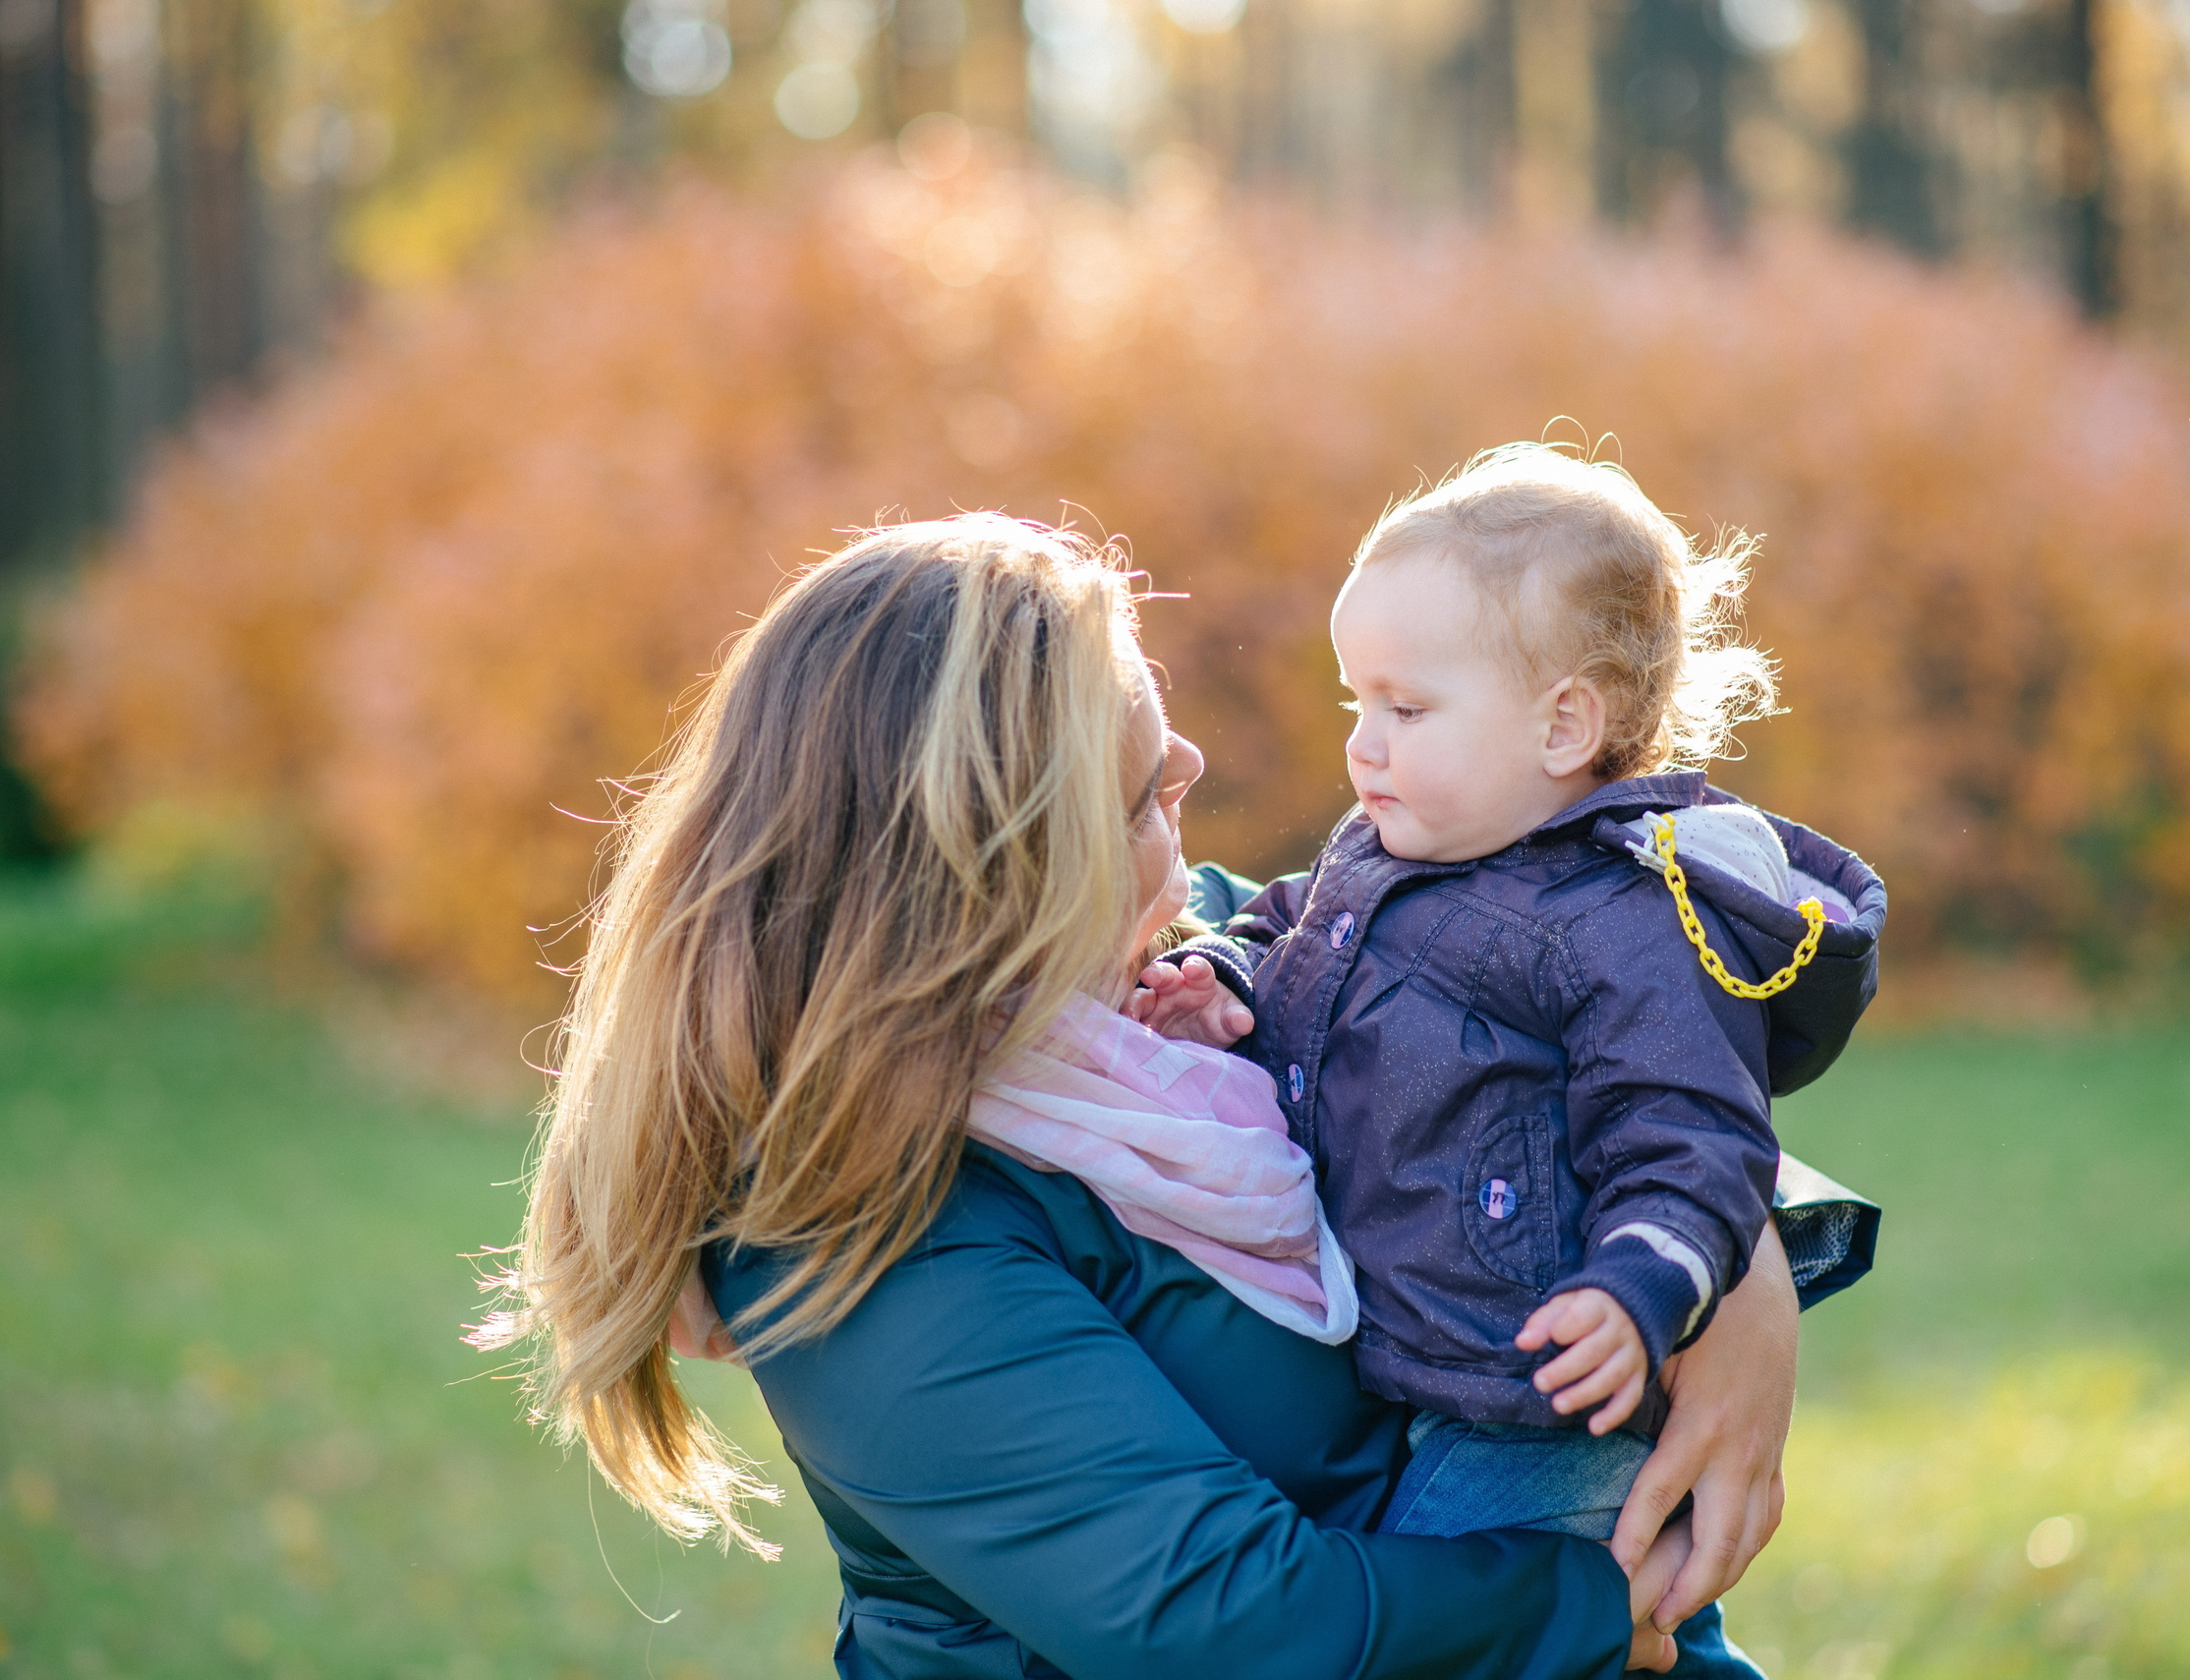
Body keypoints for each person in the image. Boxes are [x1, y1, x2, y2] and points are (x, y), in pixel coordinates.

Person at [475, 512, 1825, 1678]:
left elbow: (1611, 1063)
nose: (1190, 779)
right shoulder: (861, 1246)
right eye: (1135, 792)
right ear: (996, 883)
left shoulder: (1180, 982)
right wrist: (1597, 1607)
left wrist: (1743, 1279)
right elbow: (1227, 1624)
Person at [1133, 445, 1885, 1676]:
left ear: (1564, 721)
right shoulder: (1386, 848)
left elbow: (1692, 1139)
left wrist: (1638, 1295)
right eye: (1353, 706)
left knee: (1504, 1642)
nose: (1363, 748)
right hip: (1422, 1378)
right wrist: (1219, 977)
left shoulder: (1629, 926)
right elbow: (1284, 923)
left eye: (1406, 709)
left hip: (1548, 1414)